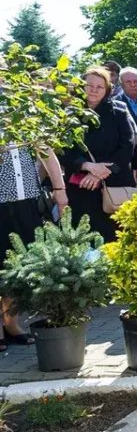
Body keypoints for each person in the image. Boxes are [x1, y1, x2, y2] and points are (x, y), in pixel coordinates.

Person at [1, 139, 68, 351]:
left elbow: (45, 149)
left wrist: (59, 188)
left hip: (27, 199)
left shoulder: (25, 108)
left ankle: (11, 322)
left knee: (19, 262)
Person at [59, 67, 137, 242]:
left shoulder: (118, 111)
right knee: (84, 237)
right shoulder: (69, 114)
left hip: (114, 185)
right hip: (81, 185)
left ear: (107, 89)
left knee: (115, 237)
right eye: (89, 85)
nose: (94, 90)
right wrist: (87, 166)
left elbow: (128, 146)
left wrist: (101, 173)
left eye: (99, 87)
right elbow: (62, 149)